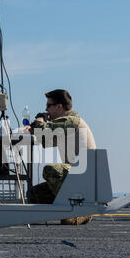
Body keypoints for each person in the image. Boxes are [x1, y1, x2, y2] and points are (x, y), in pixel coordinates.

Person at [26, 89, 97, 225]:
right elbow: (45, 141)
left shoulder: (70, 121)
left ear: (59, 106)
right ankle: (72, 208)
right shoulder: (65, 125)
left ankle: (81, 211)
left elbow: (41, 131)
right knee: (33, 195)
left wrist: (40, 118)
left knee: (51, 170)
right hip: (75, 176)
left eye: (49, 106)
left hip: (82, 176)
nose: (46, 109)